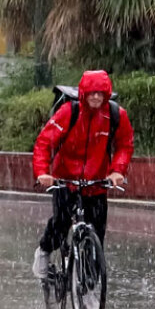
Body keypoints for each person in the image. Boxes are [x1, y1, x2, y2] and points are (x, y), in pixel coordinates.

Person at [31, 69, 135, 278]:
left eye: (100, 93)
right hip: (65, 181)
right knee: (60, 224)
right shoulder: (69, 112)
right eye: (91, 92)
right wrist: (42, 172)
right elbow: (44, 142)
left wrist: (117, 171)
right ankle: (43, 252)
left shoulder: (115, 115)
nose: (96, 97)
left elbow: (125, 145)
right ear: (84, 93)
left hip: (96, 184)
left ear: (107, 94)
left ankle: (89, 285)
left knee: (97, 237)